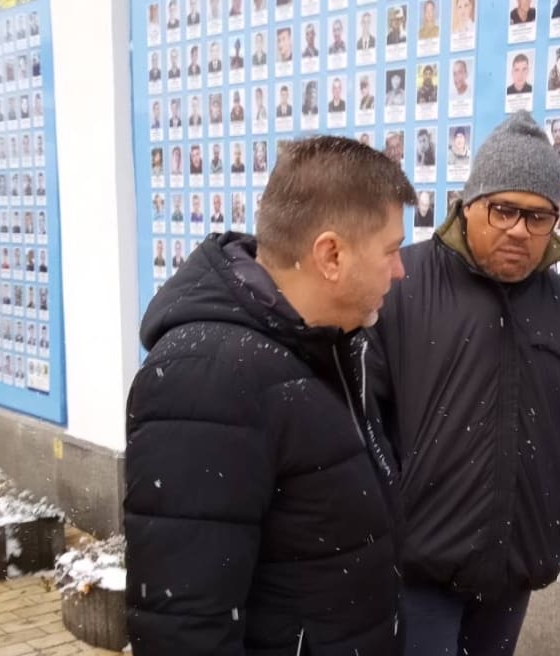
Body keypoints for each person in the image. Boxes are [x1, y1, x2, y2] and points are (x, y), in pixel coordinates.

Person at [124, 136, 417, 654]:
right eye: (391, 250)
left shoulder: (328, 343)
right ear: (331, 254)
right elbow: (186, 628)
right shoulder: (208, 379)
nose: (401, 270)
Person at [369, 111, 560, 656]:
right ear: (468, 204)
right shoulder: (402, 288)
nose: (518, 230)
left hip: (516, 564)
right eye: (504, 210)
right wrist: (391, 512)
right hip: (417, 569)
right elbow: (364, 416)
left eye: (538, 217)